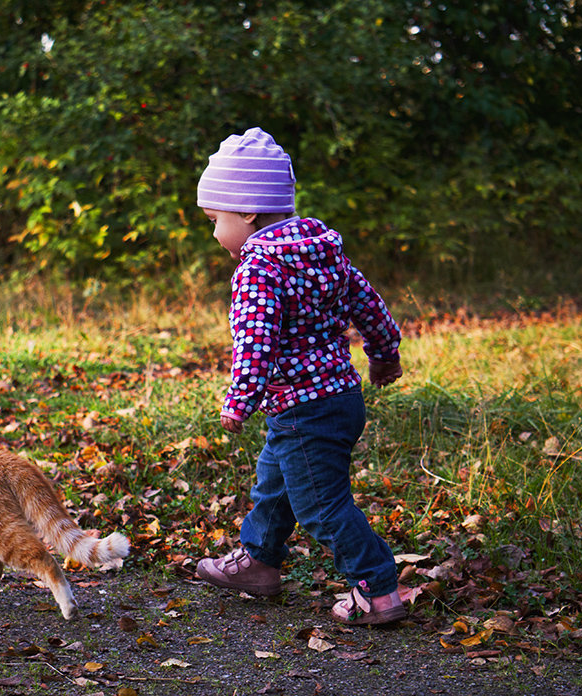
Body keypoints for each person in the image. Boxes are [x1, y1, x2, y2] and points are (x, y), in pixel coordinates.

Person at [194, 127, 407, 626]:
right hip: (338, 397)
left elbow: (255, 340)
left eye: (214, 220)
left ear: (246, 212)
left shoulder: (258, 268)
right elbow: (367, 303)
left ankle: (377, 589)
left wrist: (239, 400)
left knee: (321, 506)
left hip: (300, 406)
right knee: (276, 482)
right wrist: (384, 354)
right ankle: (260, 562)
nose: (213, 232)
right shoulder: (322, 249)